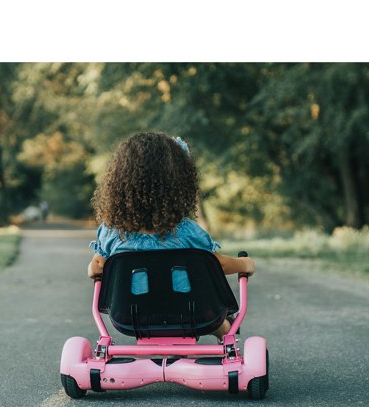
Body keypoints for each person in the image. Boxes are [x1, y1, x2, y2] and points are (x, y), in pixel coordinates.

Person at [87, 132, 255, 339]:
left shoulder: (112, 232)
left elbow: (96, 268)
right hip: (191, 310)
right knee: (195, 296)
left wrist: (93, 269)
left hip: (133, 314)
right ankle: (220, 327)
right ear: (180, 186)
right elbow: (217, 264)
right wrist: (244, 264)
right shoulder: (188, 232)